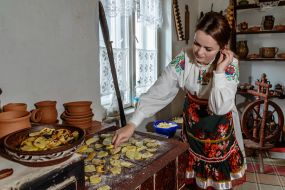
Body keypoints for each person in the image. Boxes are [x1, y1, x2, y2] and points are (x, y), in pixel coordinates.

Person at [112, 11, 246, 190]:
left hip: (219, 131)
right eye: (197, 43)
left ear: (222, 48)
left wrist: (220, 71)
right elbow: (159, 90)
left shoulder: (230, 66)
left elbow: (220, 107)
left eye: (208, 49)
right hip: (193, 128)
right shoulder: (184, 58)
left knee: (218, 183)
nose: (198, 52)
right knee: (191, 183)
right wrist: (133, 123)